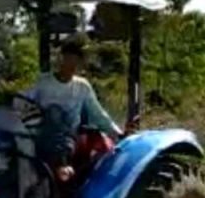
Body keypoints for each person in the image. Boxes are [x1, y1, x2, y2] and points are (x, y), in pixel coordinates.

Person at [18, 34, 137, 182]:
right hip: (43, 135)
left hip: (69, 138)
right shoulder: (43, 82)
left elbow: (98, 115)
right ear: (61, 59)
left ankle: (62, 164)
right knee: (52, 113)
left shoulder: (82, 86)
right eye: (68, 60)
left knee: (57, 113)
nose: (71, 66)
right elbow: (21, 101)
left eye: (76, 61)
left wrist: (118, 134)